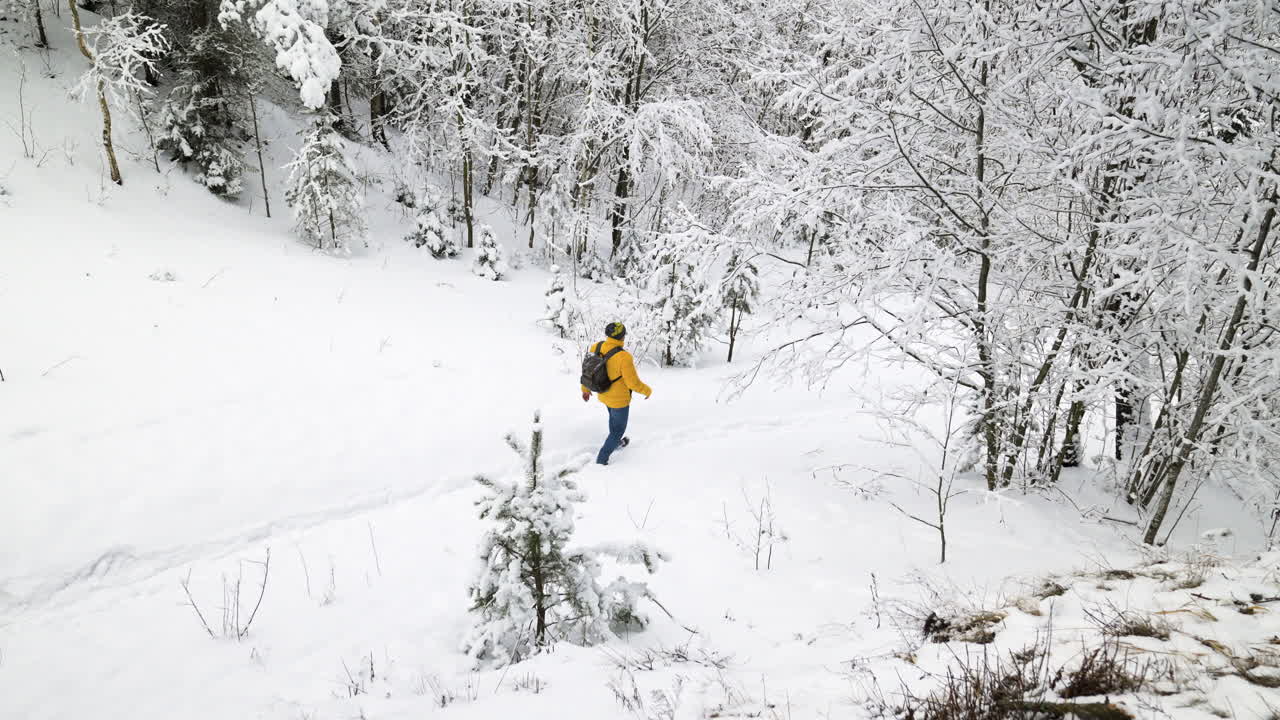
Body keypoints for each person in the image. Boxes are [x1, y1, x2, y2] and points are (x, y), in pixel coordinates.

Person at [581, 322, 652, 465]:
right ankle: (602, 459)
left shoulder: (597, 346)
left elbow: (588, 372)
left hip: (603, 394)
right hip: (619, 401)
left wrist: (585, 389)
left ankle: (616, 442)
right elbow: (632, 383)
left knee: (613, 422)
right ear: (622, 336)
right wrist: (647, 390)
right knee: (618, 429)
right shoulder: (624, 357)